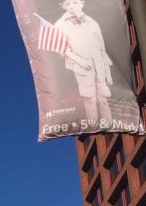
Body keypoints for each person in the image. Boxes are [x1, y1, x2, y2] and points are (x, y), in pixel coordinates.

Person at [53, 0, 113, 128]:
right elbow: (62, 48)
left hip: (99, 64)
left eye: (75, 2)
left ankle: (109, 124)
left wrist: (108, 72)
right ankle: (93, 126)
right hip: (81, 65)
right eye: (68, 4)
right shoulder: (60, 24)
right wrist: (79, 60)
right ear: (63, 6)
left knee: (103, 98)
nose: (72, 6)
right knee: (89, 97)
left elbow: (101, 47)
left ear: (81, 3)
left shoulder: (92, 22)